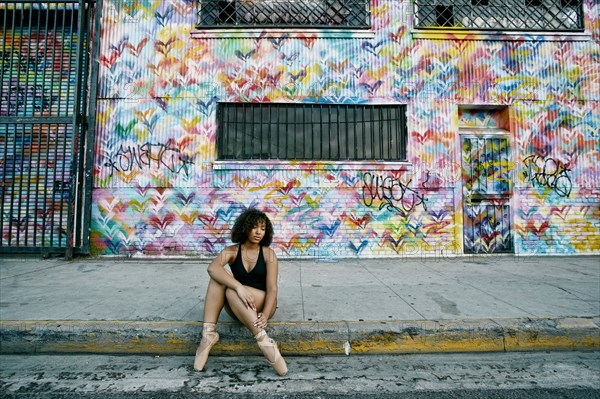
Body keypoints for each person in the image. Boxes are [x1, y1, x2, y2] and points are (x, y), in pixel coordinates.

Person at [193, 208, 287, 376]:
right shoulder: (232, 251)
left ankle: (264, 341)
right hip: (239, 303)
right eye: (255, 227)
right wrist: (239, 287)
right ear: (245, 228)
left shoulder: (268, 254)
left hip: (262, 303)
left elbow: (273, 289)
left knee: (229, 289)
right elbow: (212, 268)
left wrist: (265, 314)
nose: (259, 232)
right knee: (219, 279)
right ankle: (208, 335)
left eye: (263, 228)